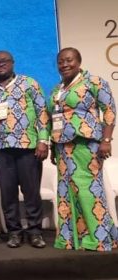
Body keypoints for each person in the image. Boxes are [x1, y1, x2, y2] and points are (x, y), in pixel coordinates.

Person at [50, 47, 118, 251]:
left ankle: (99, 238)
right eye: (61, 61)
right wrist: (54, 147)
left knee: (90, 191)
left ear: (79, 62)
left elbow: (109, 110)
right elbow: (54, 119)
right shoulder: (57, 90)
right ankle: (71, 238)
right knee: (67, 191)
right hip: (63, 147)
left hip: (86, 144)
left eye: (69, 60)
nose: (64, 64)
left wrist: (106, 140)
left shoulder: (94, 82)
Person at [0, 50, 50, 249]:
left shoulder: (29, 83)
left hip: (28, 147)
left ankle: (35, 232)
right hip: (0, 149)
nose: (0, 64)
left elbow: (42, 113)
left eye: (4, 61)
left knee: (31, 192)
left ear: (12, 63)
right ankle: (14, 232)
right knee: (8, 193)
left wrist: (43, 141)